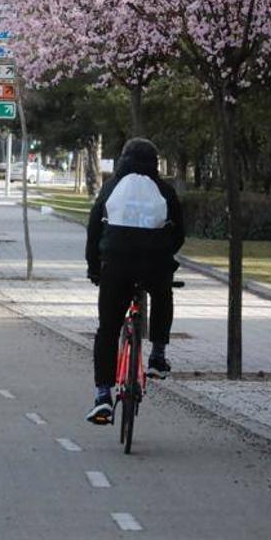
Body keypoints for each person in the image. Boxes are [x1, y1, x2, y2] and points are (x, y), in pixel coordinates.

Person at [85, 138, 184, 424]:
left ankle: (103, 395)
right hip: (154, 264)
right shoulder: (164, 189)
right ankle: (158, 355)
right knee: (163, 294)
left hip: (115, 265)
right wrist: (164, 255)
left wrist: (95, 268)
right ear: (154, 161)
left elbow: (94, 230)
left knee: (107, 329)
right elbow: (179, 232)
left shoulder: (111, 187)